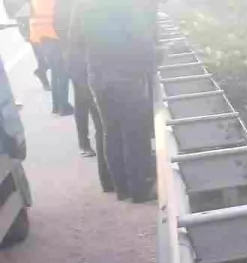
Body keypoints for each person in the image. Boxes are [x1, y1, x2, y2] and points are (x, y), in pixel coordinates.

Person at [70, 0, 156, 202]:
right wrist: (151, 63)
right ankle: (140, 189)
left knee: (111, 131)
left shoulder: (83, 5)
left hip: (98, 76)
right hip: (127, 75)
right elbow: (142, 40)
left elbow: (75, 41)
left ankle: (121, 188)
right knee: (135, 132)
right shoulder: (127, 5)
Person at [56, 0, 97, 157]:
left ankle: (86, 143)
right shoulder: (67, 5)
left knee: (84, 102)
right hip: (78, 60)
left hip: (77, 58)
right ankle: (85, 143)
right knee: (86, 102)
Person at [30, 0, 71, 115]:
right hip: (54, 35)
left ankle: (56, 105)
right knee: (62, 72)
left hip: (41, 36)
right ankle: (63, 106)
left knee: (55, 71)